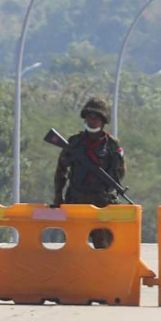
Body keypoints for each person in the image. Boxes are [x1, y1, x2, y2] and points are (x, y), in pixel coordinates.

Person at [53, 97, 125, 248]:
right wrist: (58, 195)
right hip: (76, 200)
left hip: (102, 203)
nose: (92, 120)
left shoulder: (112, 144)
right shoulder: (74, 142)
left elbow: (119, 172)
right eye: (89, 116)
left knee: (104, 248)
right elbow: (61, 170)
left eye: (96, 117)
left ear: (103, 121)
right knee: (74, 247)